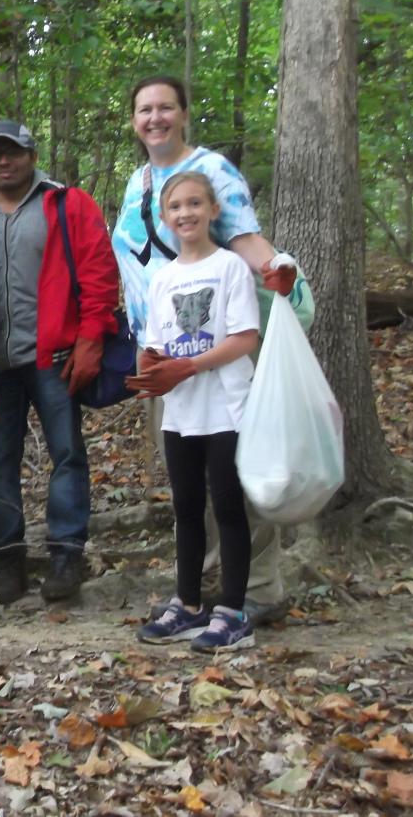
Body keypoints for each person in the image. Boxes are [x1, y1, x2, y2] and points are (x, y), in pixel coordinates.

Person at [110, 74, 301, 626]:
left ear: (184, 113)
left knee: (233, 476)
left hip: (217, 348)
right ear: (133, 120)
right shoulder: (138, 183)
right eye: (144, 109)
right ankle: (201, 592)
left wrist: (280, 274)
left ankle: (257, 590)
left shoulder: (212, 170)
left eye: (165, 107)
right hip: (161, 353)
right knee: (190, 485)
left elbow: (245, 242)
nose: (155, 118)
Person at [0, 120, 120, 605]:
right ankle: (8, 561)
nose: (3, 162)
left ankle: (66, 555)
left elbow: (98, 271)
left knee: (67, 454)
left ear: (32, 155)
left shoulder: (67, 203)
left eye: (12, 153)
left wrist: (92, 336)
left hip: (55, 357)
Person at [128, 171, 261, 652]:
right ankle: (187, 605)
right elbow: (155, 344)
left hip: (226, 405)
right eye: (176, 207)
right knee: (186, 507)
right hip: (181, 411)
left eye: (194, 204)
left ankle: (233, 611)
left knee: (227, 505)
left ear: (212, 210)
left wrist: (188, 367)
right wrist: (150, 371)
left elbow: (245, 338)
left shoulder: (229, 268)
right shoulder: (162, 278)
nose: (185, 214)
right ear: (164, 218)